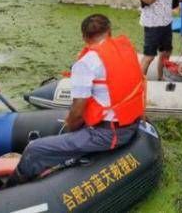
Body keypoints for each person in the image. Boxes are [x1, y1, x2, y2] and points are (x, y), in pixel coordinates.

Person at [7, 14, 145, 185]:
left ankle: (9, 189)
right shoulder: (126, 49)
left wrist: (71, 129)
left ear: (84, 37)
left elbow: (78, 111)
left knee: (35, 149)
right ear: (109, 31)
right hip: (131, 123)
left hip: (108, 134)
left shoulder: (86, 63)